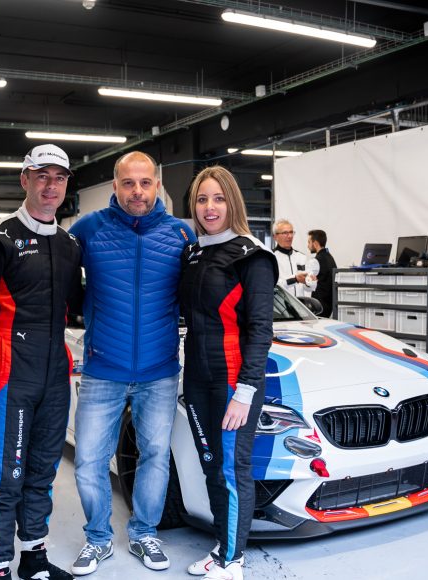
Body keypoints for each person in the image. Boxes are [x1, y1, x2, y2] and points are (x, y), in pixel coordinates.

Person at [0, 144, 82, 580]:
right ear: (25, 179)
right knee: (6, 476)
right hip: (8, 375)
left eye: (58, 177)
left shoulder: (69, 245)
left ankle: (34, 558)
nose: (50, 185)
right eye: (42, 176)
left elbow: (77, 308)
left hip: (55, 375)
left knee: (43, 473)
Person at [68, 151, 195, 576]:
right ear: (115, 186)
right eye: (128, 183)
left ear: (157, 185)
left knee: (155, 454)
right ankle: (98, 538)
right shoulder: (88, 229)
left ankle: (143, 533)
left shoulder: (181, 234)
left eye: (145, 182)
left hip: (159, 370)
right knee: (88, 459)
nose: (137, 191)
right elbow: (58, 280)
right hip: (103, 367)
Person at [178, 166, 276, 580]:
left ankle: (233, 561)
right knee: (212, 468)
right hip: (197, 379)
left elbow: (261, 330)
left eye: (218, 198)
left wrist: (245, 391)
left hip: (233, 381)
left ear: (232, 202)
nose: (210, 207)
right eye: (202, 199)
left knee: (233, 471)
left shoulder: (253, 256)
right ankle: (224, 546)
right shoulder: (192, 253)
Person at [271, 219, 316, 299]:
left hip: (300, 304)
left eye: (291, 232)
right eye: (285, 233)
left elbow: (308, 289)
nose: (290, 236)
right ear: (275, 236)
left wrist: (310, 282)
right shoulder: (271, 257)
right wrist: (295, 279)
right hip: (281, 305)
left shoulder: (302, 257)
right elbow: (273, 285)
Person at [307, 230, 338, 318]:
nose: (308, 246)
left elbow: (308, 284)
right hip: (329, 306)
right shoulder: (331, 258)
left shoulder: (315, 261)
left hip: (318, 306)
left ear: (315, 243)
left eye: (309, 242)